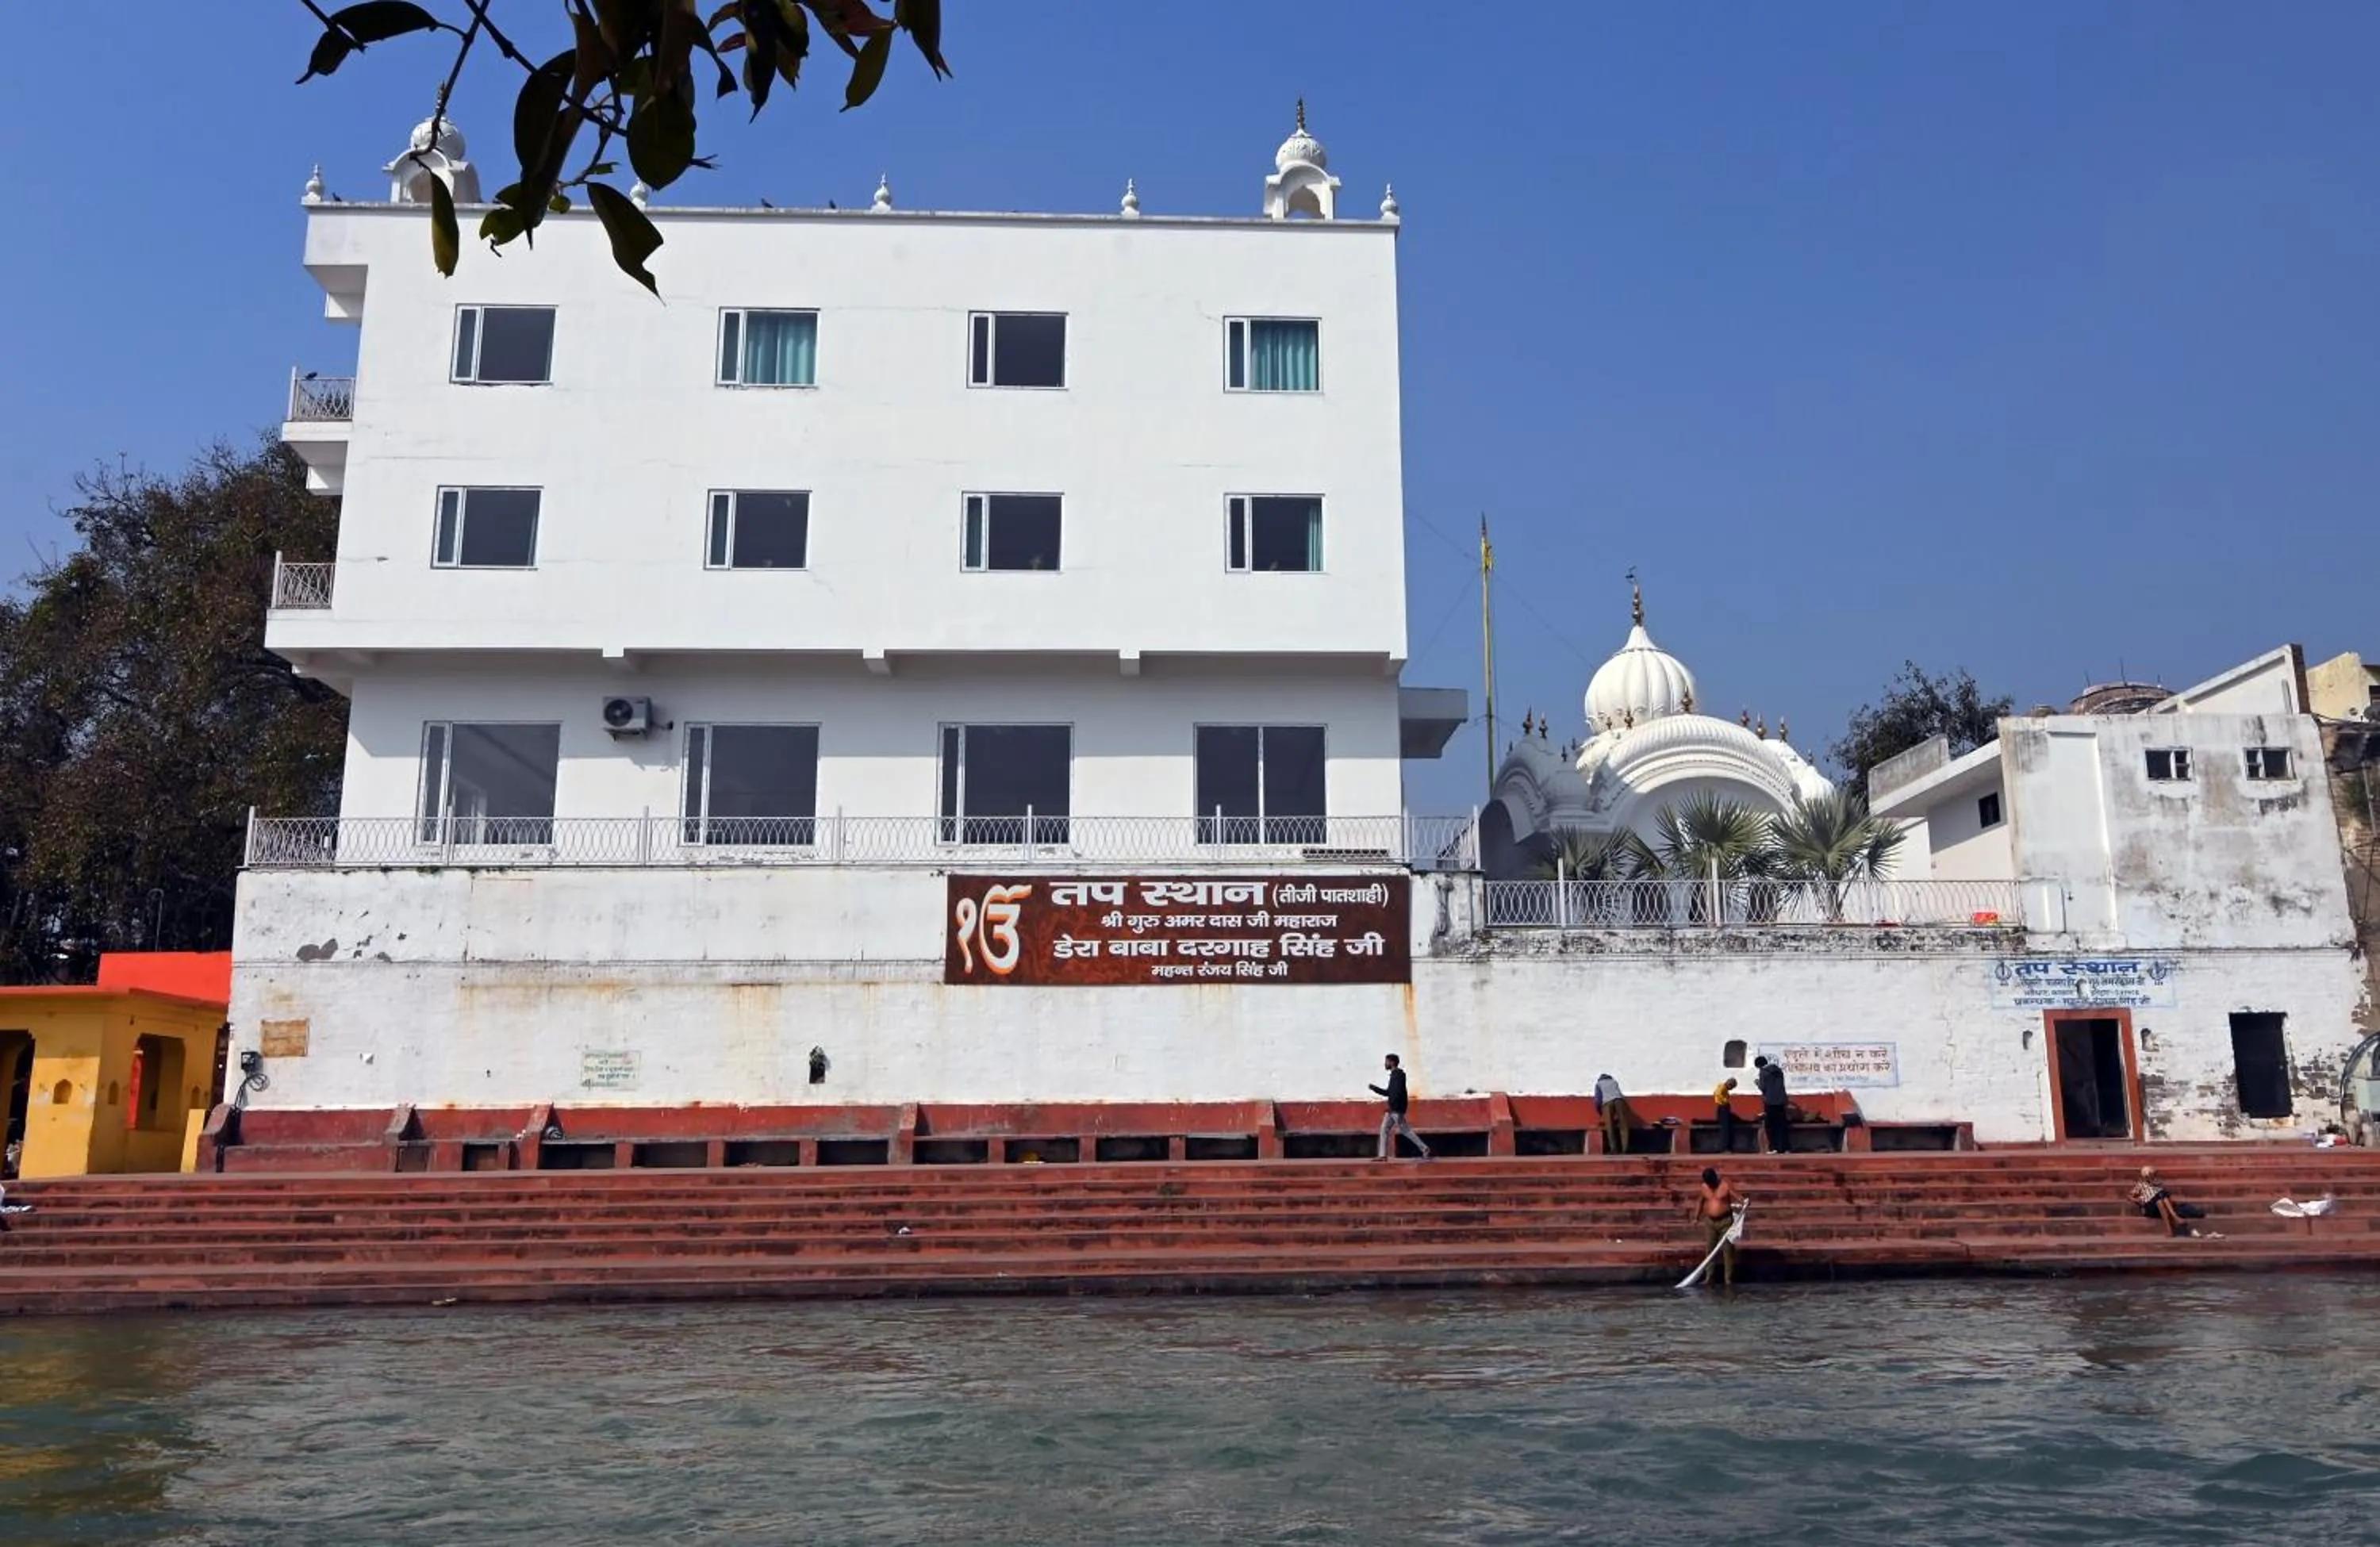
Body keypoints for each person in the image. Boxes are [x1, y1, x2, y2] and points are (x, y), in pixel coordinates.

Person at [1687, 1166, 1745, 1287]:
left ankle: (1728, 1279)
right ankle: (1709, 1277)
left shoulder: (1725, 1184)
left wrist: (1744, 1201)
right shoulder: (1704, 1187)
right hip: (1710, 1222)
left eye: (1711, 1182)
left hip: (1726, 1221)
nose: (1710, 1185)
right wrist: (1696, 1217)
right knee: (1710, 1250)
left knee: (1727, 1250)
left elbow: (1737, 1196)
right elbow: (1700, 1201)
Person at [1369, 1054, 1431, 1161]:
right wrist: (1375, 1089)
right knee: (1384, 1129)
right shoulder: (1394, 1076)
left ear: (1392, 1062)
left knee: (1405, 1130)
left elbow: (1397, 1094)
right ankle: (1382, 1155)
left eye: (1387, 1062)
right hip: (1393, 1109)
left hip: (1396, 1110)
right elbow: (1389, 1092)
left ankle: (1424, 1148)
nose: (1385, 1064)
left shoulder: (1398, 1076)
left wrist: (1393, 1107)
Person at [2129, 1166, 2219, 1238]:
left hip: (2159, 1207)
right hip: (2149, 1207)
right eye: (2151, 1174)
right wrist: (2139, 1201)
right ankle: (2176, 1218)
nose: (2152, 1176)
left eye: (2153, 1174)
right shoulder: (2141, 1185)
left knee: (2160, 1201)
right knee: (2161, 1195)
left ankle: (2170, 1231)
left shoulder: (2157, 1184)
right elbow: (2130, 1197)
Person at [1754, 1055, 1790, 1154]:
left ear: (1759, 1065)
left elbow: (1763, 1087)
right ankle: (1785, 1147)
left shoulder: (1763, 1073)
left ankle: (1775, 1147)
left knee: (1771, 1126)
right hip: (1781, 1101)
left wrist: (1757, 1083)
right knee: (1782, 1125)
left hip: (1770, 1102)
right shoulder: (1779, 1071)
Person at [1593, 1072, 1634, 1156]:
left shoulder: (1599, 1084)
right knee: (1623, 1125)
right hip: (1620, 1101)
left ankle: (1614, 1149)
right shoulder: (1614, 1082)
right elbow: (1620, 1094)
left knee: (1610, 1126)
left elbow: (1598, 1099)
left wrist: (1600, 1111)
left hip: (1607, 1102)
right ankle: (1625, 1149)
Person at [1712, 1077, 1741, 1154]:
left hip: (1724, 1108)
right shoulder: (1722, 1087)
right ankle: (1725, 1148)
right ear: (1730, 1084)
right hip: (1723, 1108)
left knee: (1728, 1127)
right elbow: (1717, 1094)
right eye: (1732, 1087)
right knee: (1725, 1128)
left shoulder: (1722, 1087)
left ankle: (1728, 1147)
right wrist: (1724, 1101)